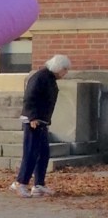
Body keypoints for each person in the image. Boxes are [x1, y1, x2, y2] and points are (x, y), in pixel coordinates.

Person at [10, 54, 71, 198]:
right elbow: (30, 96)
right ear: (58, 68)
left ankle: (39, 184)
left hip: (42, 120)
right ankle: (20, 183)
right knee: (31, 152)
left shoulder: (49, 78)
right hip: (34, 120)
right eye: (65, 69)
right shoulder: (40, 77)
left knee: (43, 153)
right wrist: (33, 117)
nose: (66, 73)